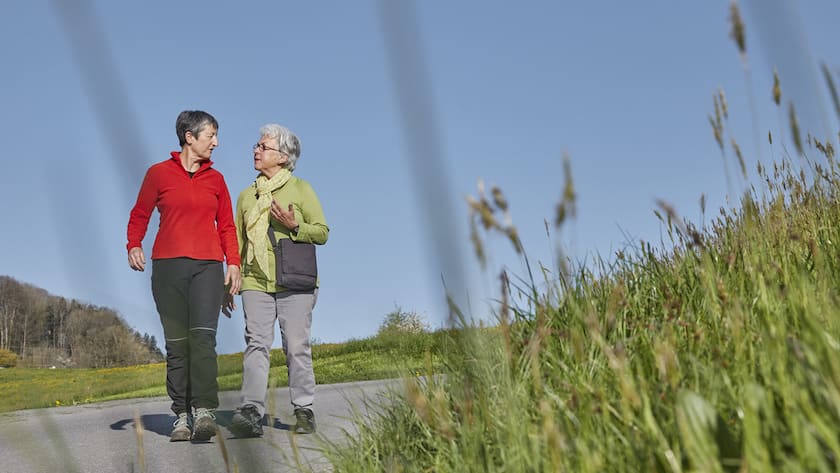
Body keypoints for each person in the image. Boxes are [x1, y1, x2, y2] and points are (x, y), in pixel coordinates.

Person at [126, 110, 241, 442]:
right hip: (168, 267)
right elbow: (140, 213)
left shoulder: (216, 180)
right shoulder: (158, 174)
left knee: (203, 338)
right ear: (189, 137)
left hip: (207, 266)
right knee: (177, 344)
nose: (216, 142)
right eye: (211, 136)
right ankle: (181, 414)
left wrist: (232, 262)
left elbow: (227, 225)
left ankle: (204, 410)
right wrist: (133, 243)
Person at [229, 124, 329, 437]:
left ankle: (303, 409)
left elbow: (322, 232)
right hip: (255, 281)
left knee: (296, 346)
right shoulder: (247, 196)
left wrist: (295, 225)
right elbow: (238, 242)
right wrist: (232, 276)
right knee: (256, 344)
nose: (256, 151)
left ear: (283, 157)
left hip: (295, 282)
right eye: (256, 146)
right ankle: (251, 410)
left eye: (263, 147)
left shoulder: (301, 189)